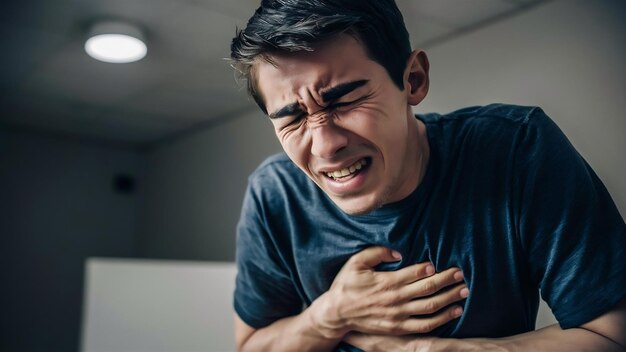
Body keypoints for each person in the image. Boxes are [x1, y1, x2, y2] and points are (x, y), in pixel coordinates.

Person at [229, 0, 626, 350]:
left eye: (345, 100)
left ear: (413, 80)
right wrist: (330, 316)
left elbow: (612, 332)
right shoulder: (273, 194)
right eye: (294, 117)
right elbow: (252, 346)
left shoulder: (516, 149)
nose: (325, 145)